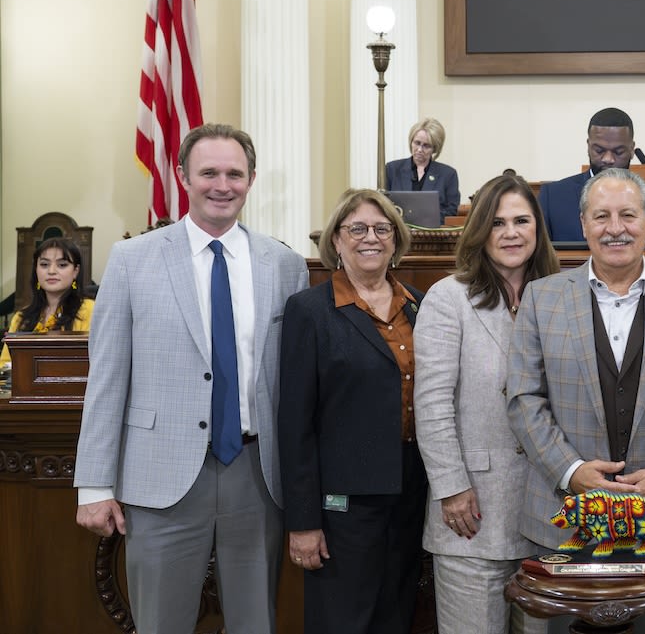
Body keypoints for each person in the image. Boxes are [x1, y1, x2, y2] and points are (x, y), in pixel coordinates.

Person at [74, 123, 310, 634]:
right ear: (183, 176)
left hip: (257, 474)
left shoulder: (286, 265)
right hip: (161, 477)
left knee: (255, 623)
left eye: (234, 173)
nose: (221, 185)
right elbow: (108, 377)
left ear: (251, 179)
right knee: (161, 623)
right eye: (208, 172)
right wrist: (93, 484)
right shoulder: (132, 260)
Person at [508, 168, 645, 634]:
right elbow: (525, 398)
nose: (615, 228)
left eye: (628, 214)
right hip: (563, 515)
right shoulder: (541, 297)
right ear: (583, 224)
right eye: (602, 216)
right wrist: (572, 472)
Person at [413, 174, 559, 634]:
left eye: (521, 220)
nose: (511, 233)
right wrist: (451, 487)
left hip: (548, 514)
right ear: (480, 231)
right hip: (471, 514)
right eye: (497, 223)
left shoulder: (559, 297)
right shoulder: (449, 297)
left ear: (538, 229)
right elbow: (431, 403)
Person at [278, 188, 427, 634]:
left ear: (396, 241)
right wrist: (303, 522)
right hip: (342, 505)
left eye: (382, 229)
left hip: (410, 493)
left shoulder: (419, 305)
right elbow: (295, 423)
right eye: (357, 228)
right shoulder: (309, 310)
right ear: (336, 241)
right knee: (342, 621)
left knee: (396, 617)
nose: (371, 238)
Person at [537, 107, 645, 242]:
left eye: (618, 152)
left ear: (632, 149)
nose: (608, 159)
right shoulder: (553, 199)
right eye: (599, 151)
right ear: (588, 146)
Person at [1, 237, 94, 367]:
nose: (51, 271)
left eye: (62, 265)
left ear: (75, 271)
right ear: (36, 269)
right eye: (44, 264)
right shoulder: (21, 317)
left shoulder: (89, 310)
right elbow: (5, 365)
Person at [385, 117, 461, 221]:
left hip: (433, 234)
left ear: (435, 148)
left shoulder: (448, 175)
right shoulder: (392, 169)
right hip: (399, 232)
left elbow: (452, 211)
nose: (419, 150)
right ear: (411, 141)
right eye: (417, 143)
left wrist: (425, 219)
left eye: (426, 146)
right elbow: (383, 205)